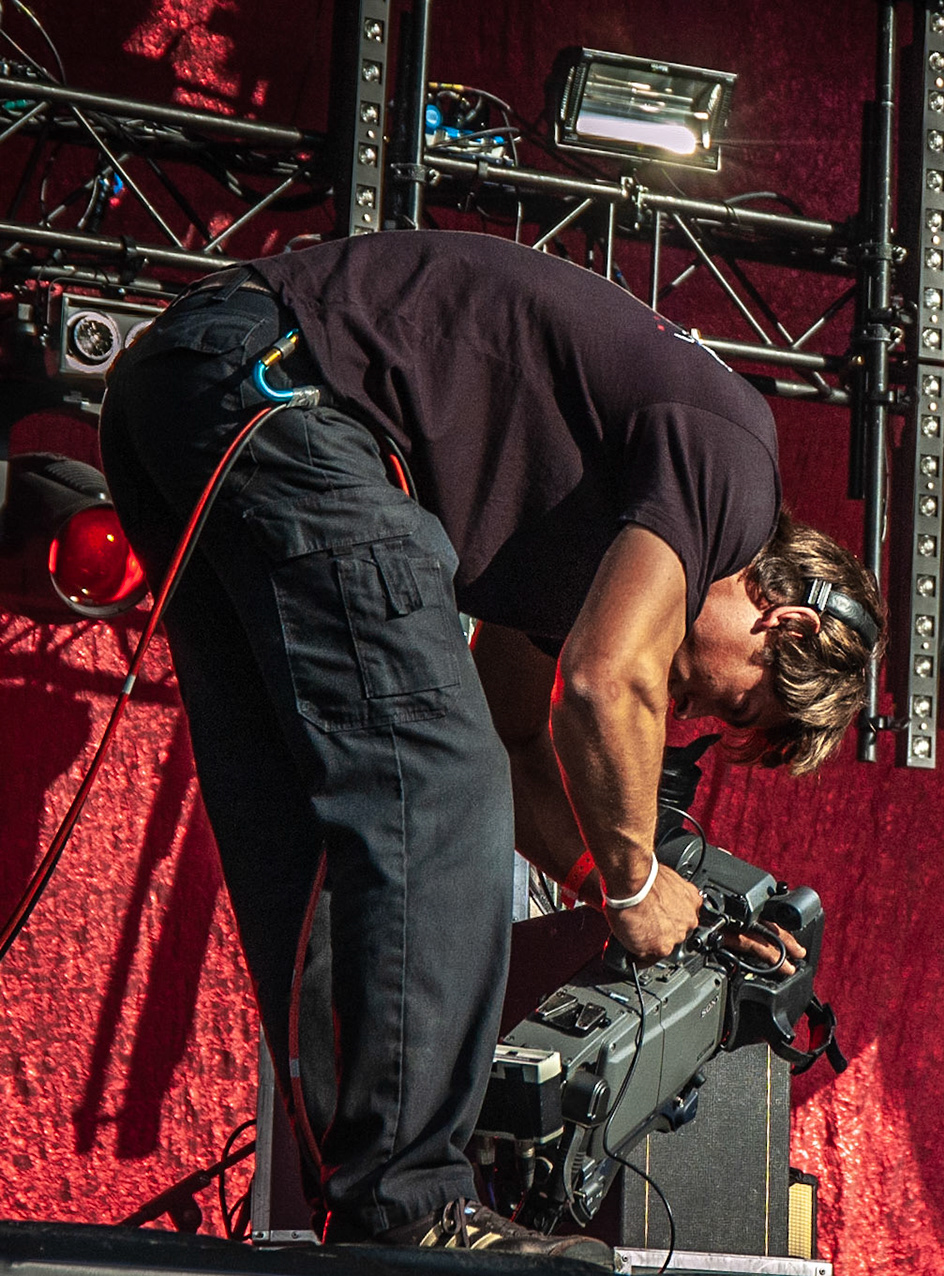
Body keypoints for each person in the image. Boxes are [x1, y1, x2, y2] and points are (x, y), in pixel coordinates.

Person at [97, 230, 882, 1257]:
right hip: (285, 394)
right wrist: (640, 880)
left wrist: (597, 880)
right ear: (787, 620)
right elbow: (607, 684)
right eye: (738, 709)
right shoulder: (733, 467)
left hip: (185, 396)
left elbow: (519, 737)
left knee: (321, 834)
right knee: (435, 771)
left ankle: (361, 1201)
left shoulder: (593, 536)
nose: (697, 714)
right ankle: (410, 1203)